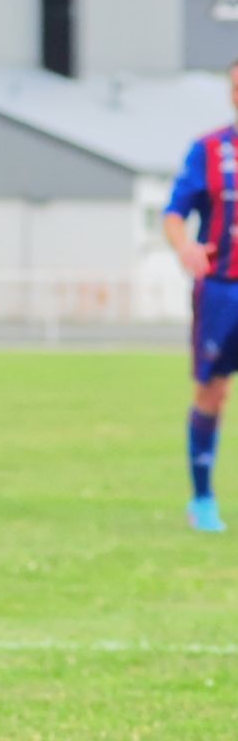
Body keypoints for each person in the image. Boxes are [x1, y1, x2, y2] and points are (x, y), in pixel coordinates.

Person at [163, 59, 238, 533]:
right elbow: (174, 213)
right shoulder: (209, 149)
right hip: (221, 290)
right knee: (213, 389)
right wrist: (185, 245)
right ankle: (203, 498)